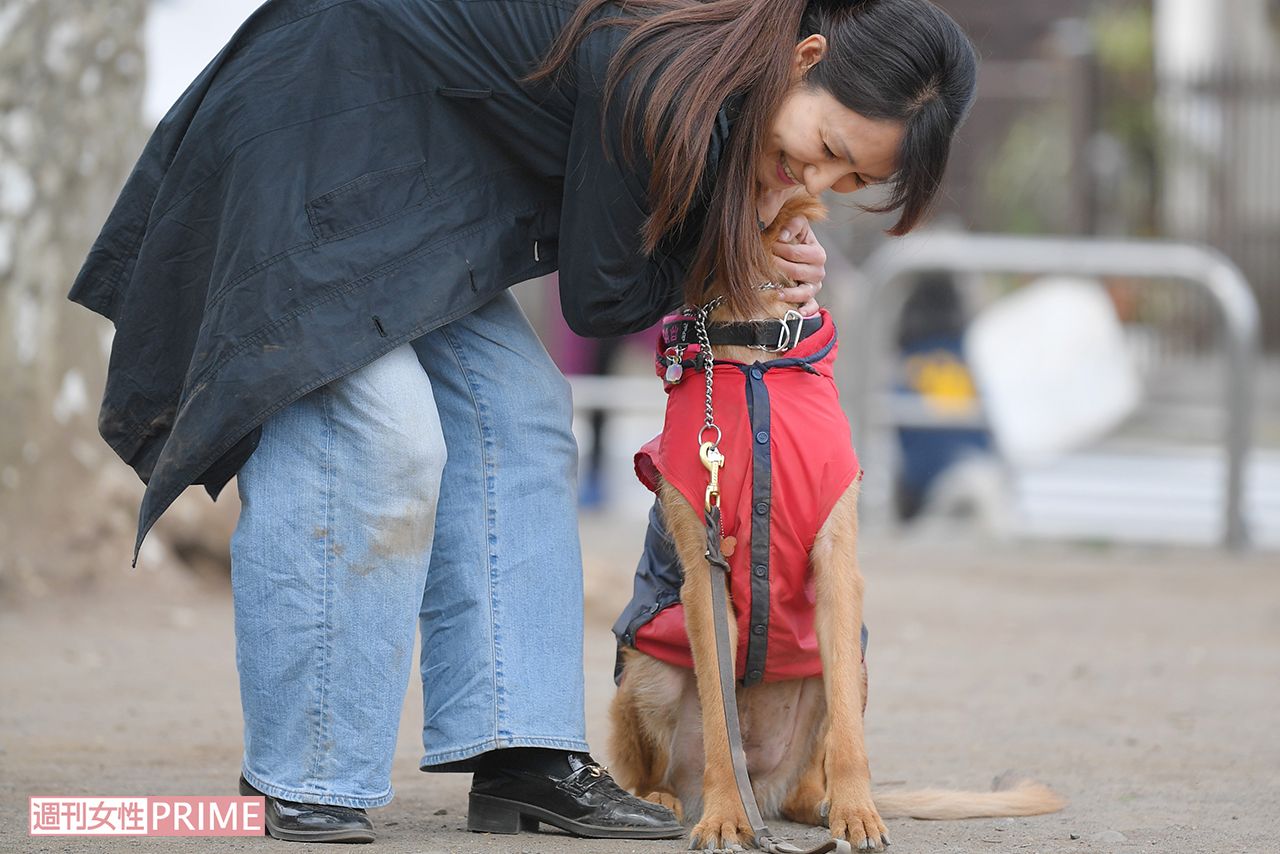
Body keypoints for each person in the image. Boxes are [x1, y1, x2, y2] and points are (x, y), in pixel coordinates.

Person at [68, 0, 976, 844]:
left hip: (424, 177)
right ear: (805, 59)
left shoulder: (732, 82)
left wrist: (752, 227)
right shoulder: (659, 62)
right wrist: (736, 246)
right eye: (826, 147)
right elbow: (601, 297)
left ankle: (522, 754)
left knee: (521, 412)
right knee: (384, 434)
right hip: (314, 132)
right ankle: (304, 775)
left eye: (852, 177)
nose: (818, 179)